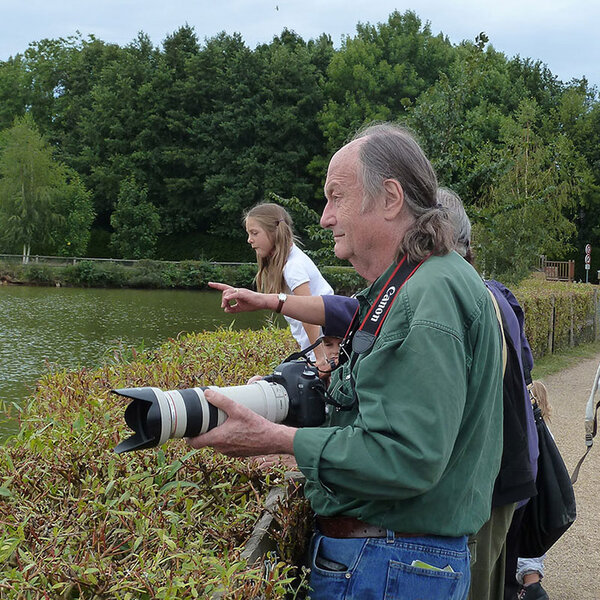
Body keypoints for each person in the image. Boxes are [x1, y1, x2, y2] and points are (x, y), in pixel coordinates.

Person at [189, 122, 503, 600]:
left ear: (390, 198)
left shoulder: (431, 293)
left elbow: (408, 456)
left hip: (392, 566)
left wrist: (274, 438)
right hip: (396, 561)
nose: (323, 217)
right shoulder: (417, 282)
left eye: (336, 197)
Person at [244, 202, 333, 364]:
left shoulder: (293, 267)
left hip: (327, 353)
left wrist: (321, 359)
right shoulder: (290, 258)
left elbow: (309, 314)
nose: (249, 240)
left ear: (274, 233)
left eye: (254, 233)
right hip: (319, 351)